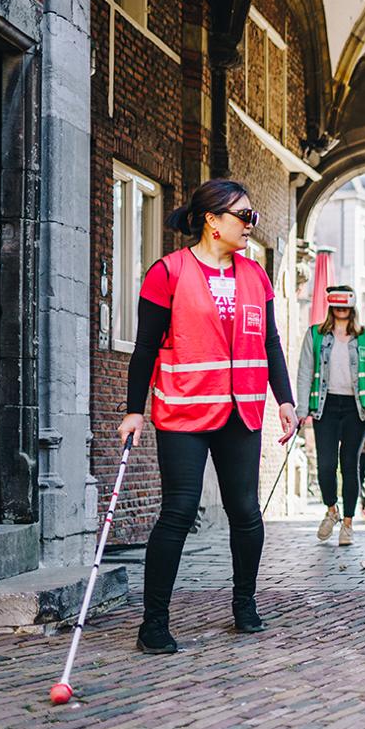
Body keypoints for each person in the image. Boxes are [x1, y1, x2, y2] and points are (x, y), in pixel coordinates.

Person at [118, 180, 299, 655]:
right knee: (178, 510)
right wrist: (134, 411)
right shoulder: (168, 273)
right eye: (244, 216)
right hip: (184, 409)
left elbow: (271, 343)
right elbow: (143, 350)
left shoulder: (256, 276)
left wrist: (283, 399)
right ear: (212, 221)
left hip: (241, 409)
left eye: (252, 216)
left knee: (245, 509)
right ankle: (153, 623)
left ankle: (244, 604)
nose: (250, 225)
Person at [296, 287, 365, 545]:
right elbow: (305, 372)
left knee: (349, 464)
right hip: (325, 406)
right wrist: (301, 409)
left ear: (352, 308)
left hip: (356, 408)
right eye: (337, 305)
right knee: (326, 464)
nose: (341, 310)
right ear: (331, 306)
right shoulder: (315, 334)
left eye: (346, 306)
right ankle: (331, 510)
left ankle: (347, 523)